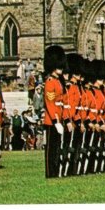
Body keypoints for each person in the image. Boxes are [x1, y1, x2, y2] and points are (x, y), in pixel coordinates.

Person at [42, 45, 66, 178]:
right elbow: (50, 103)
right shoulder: (50, 82)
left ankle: (55, 171)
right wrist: (56, 121)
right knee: (51, 149)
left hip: (58, 118)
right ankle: (50, 173)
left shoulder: (57, 81)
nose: (61, 68)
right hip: (52, 121)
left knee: (56, 148)